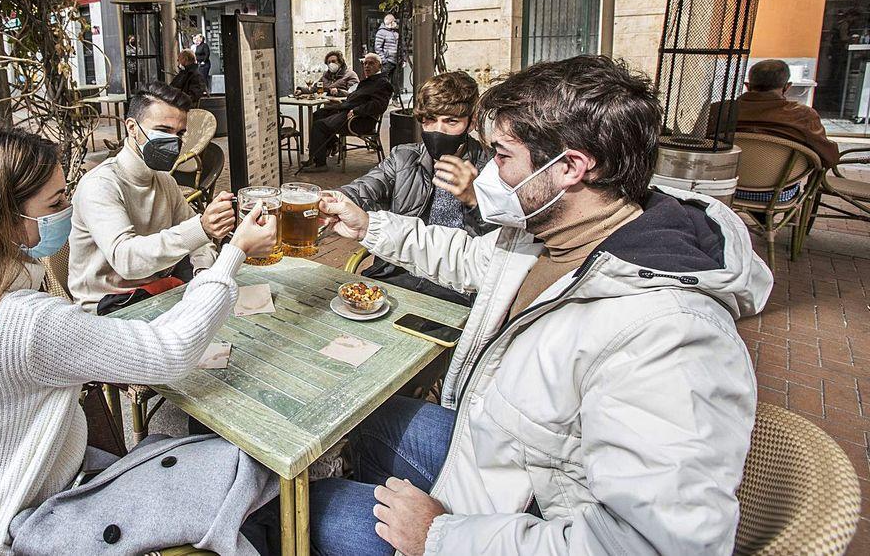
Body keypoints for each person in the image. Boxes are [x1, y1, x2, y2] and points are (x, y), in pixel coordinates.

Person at [281, 55, 770, 555]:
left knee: (299, 514)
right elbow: (469, 257)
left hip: (534, 515)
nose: (489, 171)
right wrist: (369, 226)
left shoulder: (670, 334)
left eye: (503, 155)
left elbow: (657, 546)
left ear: (572, 168)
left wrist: (441, 537)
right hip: (504, 455)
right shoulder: (552, 236)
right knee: (360, 422)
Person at [0, 126, 279, 556]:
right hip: (18, 529)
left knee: (220, 472)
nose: (68, 208)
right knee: (240, 471)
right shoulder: (24, 322)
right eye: (56, 202)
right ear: (3, 219)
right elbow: (170, 352)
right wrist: (234, 253)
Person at [68, 82, 237, 314]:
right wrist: (202, 228)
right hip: (109, 305)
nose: (173, 142)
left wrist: (202, 277)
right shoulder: (100, 185)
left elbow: (201, 242)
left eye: (179, 134)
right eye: (163, 130)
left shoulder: (164, 180)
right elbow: (126, 260)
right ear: (132, 128)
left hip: (159, 291)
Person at [339, 71, 489, 306]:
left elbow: (500, 247)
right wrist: (335, 198)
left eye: (451, 121)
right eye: (430, 120)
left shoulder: (491, 168)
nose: (438, 130)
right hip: (397, 273)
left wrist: (475, 200)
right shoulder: (404, 157)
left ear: (471, 121)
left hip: (457, 289)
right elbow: (364, 188)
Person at [736, 59, 839, 169]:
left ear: (747, 85)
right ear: (787, 87)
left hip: (727, 182)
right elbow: (830, 159)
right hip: (785, 183)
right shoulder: (804, 115)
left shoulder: (721, 110)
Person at [299, 53, 393, 173]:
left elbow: (378, 106)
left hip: (359, 120)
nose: (367, 66)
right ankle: (321, 152)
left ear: (379, 66)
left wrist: (356, 110)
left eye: (371, 63)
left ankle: (320, 163)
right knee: (318, 114)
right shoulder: (368, 81)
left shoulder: (382, 83)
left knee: (320, 126)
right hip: (347, 111)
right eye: (365, 63)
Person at [374, 14, 401, 89]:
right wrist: (384, 60)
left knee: (395, 82)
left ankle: (394, 97)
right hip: (388, 61)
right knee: (385, 81)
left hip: (396, 60)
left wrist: (403, 59)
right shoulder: (381, 32)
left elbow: (401, 46)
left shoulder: (396, 32)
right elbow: (378, 48)